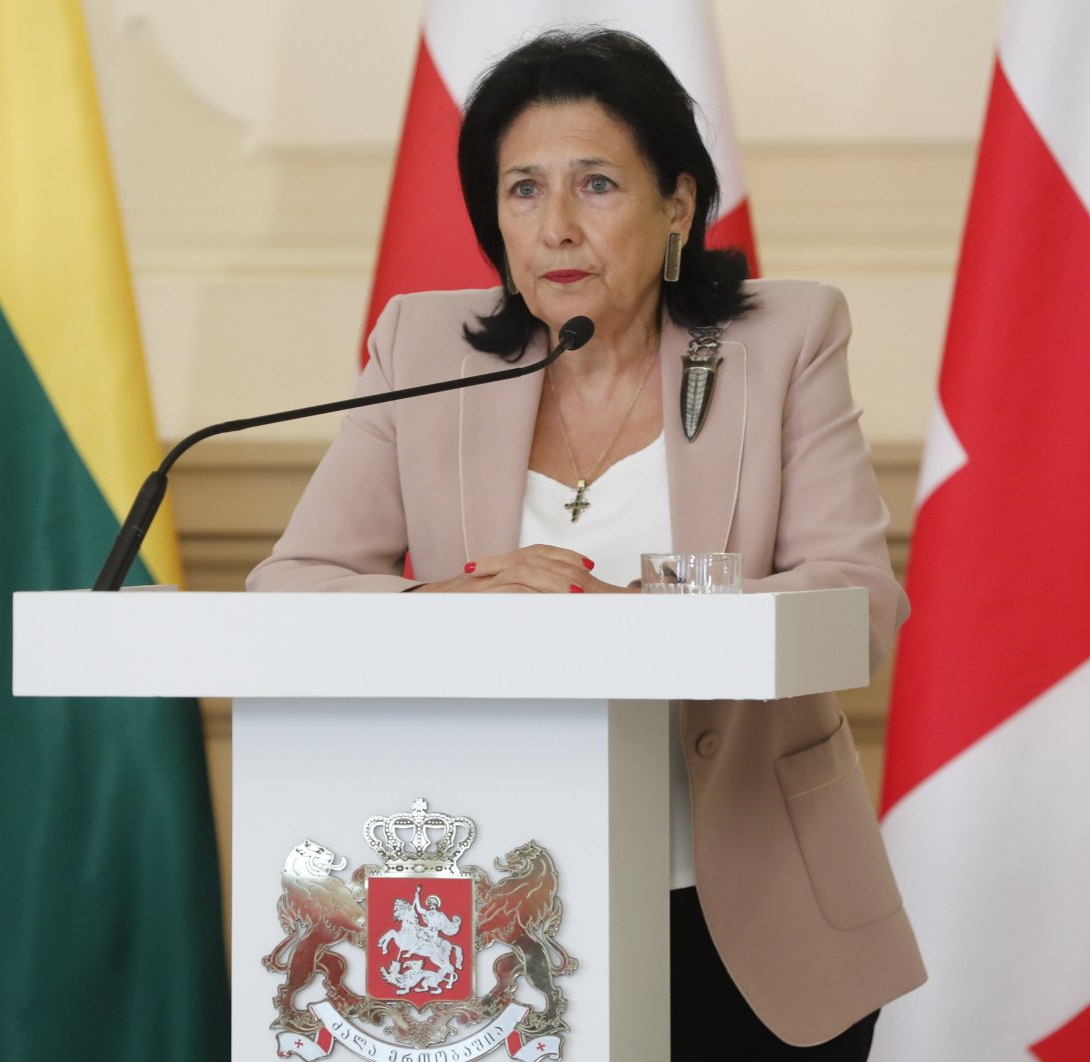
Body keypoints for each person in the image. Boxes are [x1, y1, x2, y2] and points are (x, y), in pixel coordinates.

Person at [247, 28, 924, 1059]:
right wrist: (442, 602)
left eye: (597, 185)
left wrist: (650, 625)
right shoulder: (421, 350)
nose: (556, 227)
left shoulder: (780, 341)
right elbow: (288, 586)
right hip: (497, 930)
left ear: (678, 205)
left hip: (744, 914)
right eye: (522, 191)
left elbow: (855, 602)